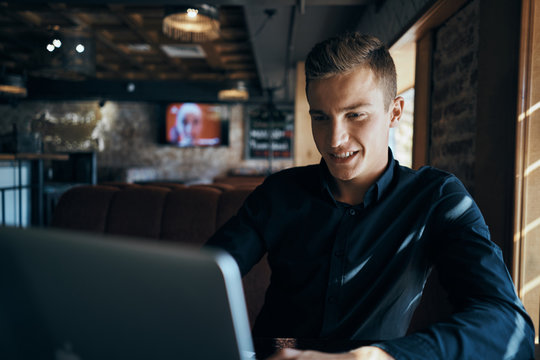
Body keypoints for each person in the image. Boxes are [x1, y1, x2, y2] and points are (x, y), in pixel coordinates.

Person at [205, 32, 535, 359]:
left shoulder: (437, 198)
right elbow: (204, 277)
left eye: (355, 115)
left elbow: (509, 326)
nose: (334, 140)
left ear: (394, 112)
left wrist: (376, 357)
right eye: (320, 117)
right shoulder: (279, 192)